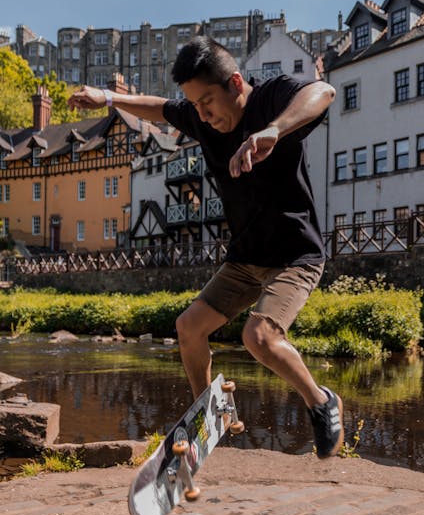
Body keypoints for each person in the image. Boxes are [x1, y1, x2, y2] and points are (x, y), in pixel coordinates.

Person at [69, 36, 343, 458]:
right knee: (188, 328)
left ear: (235, 83)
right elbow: (159, 107)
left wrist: (273, 130)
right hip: (244, 259)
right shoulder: (200, 118)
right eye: (195, 104)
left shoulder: (271, 98)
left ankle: (321, 402)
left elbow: (322, 91)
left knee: (261, 337)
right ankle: (207, 411)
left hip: (294, 257)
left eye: (208, 102)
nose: (202, 114)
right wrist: (107, 97)